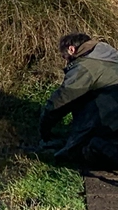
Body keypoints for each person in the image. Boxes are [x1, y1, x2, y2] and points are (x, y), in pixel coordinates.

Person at [41, 32, 118, 167]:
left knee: (71, 155)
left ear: (71, 49)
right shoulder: (109, 56)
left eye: (65, 57)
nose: (66, 61)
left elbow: (62, 100)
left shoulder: (86, 66)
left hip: (109, 123)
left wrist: (44, 128)